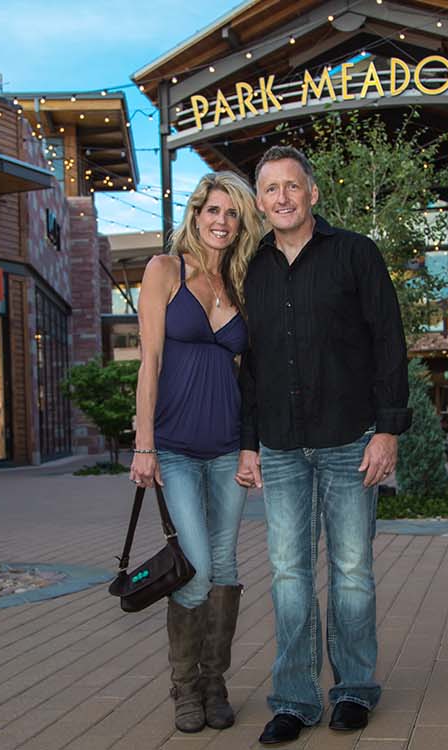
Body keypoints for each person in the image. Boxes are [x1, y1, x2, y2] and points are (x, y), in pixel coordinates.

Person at [235, 145, 410, 745]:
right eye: (270, 189)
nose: (282, 198)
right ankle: (294, 698)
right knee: (287, 574)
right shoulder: (248, 267)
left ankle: (355, 689)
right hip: (280, 445)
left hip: (350, 438)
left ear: (312, 193)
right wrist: (248, 443)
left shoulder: (356, 253)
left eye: (292, 186)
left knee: (353, 571)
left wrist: (388, 429)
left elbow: (389, 340)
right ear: (259, 202)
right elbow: (247, 365)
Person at [129, 171, 262, 734]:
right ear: (195, 212)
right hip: (176, 447)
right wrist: (144, 442)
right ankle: (184, 687)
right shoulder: (164, 270)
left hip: (228, 446)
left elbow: (250, 373)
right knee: (198, 570)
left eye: (231, 213)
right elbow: (150, 361)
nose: (221, 221)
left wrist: (251, 446)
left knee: (227, 566)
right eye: (212, 209)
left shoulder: (241, 280)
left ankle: (215, 681)